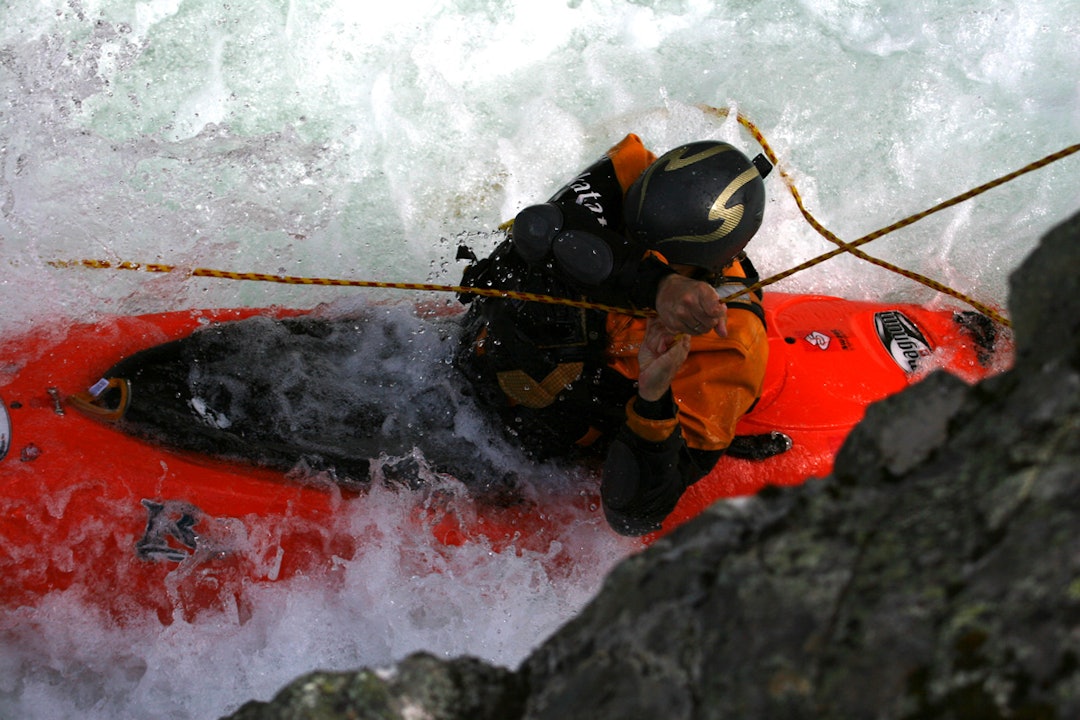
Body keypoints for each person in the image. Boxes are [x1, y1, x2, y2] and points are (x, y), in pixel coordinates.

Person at [454, 133, 781, 536]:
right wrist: (658, 283)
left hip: (521, 444)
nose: (635, 245)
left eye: (658, 256)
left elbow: (634, 515)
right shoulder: (632, 170)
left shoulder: (731, 345)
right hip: (467, 354)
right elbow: (539, 227)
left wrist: (654, 396)